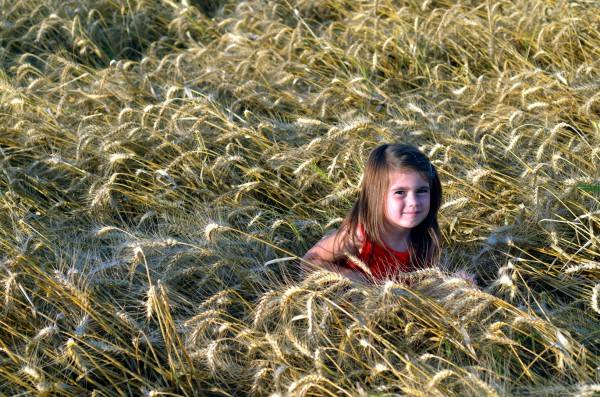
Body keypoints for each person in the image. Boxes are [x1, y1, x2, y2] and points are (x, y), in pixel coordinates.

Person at [301, 143, 442, 284]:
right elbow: (308, 263)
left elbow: (428, 282)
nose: (413, 202)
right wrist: (360, 279)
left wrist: (451, 282)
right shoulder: (360, 235)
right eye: (400, 192)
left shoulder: (426, 241)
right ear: (377, 195)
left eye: (421, 191)